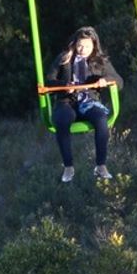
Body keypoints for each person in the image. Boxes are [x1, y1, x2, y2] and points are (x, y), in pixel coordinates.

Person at [47, 26, 123, 183]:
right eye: (80, 45)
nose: (83, 50)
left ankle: (101, 165)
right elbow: (49, 81)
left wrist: (105, 81)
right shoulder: (64, 59)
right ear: (74, 44)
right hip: (67, 101)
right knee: (62, 120)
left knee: (101, 119)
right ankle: (68, 166)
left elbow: (119, 81)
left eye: (87, 46)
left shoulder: (100, 61)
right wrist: (65, 84)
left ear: (94, 45)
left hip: (89, 101)